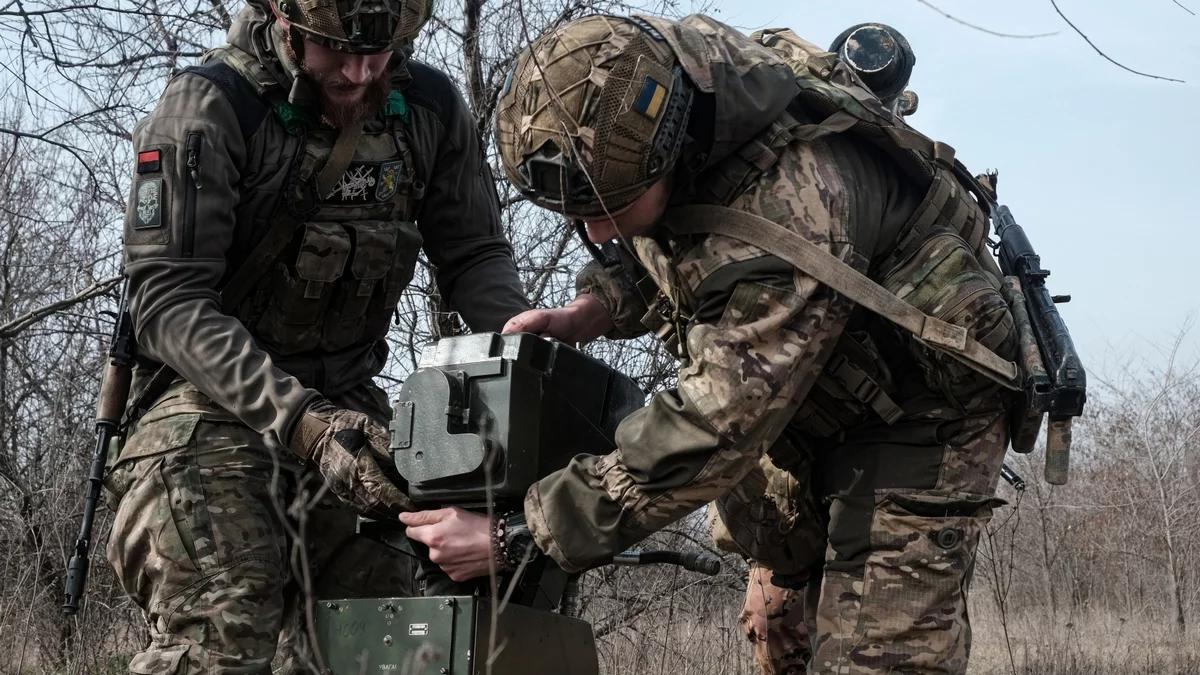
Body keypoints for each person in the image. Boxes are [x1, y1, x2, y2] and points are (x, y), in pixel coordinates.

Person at [401, 13, 1021, 675]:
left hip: (922, 417)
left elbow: (712, 425)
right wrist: (595, 306)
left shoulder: (795, 208)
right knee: (778, 621)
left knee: (879, 657)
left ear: (667, 154)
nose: (596, 233)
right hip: (811, 396)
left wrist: (519, 533)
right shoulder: (660, 93)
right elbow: (673, 241)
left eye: (605, 208)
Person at [105, 0, 531, 671]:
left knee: (397, 643)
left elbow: (475, 253)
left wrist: (523, 359)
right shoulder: (212, 108)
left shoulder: (428, 110)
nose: (360, 71)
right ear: (285, 21)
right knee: (223, 635)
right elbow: (168, 300)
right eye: (337, 49)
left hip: (352, 418)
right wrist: (305, 423)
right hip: (207, 412)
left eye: (380, 52)